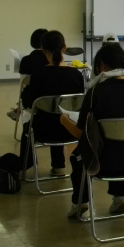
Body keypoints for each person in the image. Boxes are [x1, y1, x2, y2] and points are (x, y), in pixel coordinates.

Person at [60, 43, 124, 218]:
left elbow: (81, 134)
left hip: (102, 162)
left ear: (101, 65)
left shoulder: (96, 92)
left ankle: (81, 202)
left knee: (77, 155)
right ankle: (121, 195)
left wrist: (64, 120)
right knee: (121, 139)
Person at [20, 30, 85, 175]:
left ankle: (24, 168)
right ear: (64, 48)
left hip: (42, 130)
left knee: (33, 123)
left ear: (42, 49)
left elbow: (31, 104)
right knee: (59, 115)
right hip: (70, 129)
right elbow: (80, 105)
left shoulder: (38, 74)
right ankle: (59, 166)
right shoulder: (76, 75)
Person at [7, 28, 49, 121]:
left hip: (31, 99)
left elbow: (23, 83)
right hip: (52, 98)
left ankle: (19, 110)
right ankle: (18, 110)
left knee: (27, 91)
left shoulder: (26, 60)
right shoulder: (53, 60)